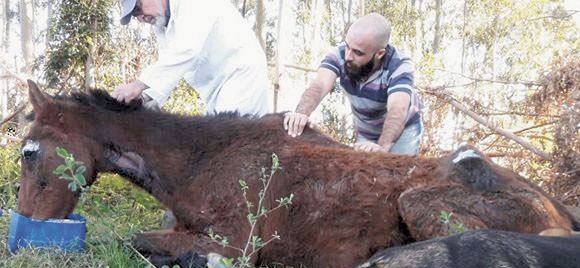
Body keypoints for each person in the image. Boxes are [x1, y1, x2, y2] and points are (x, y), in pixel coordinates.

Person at [284, 13, 423, 155]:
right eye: (347, 47)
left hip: (402, 132)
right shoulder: (340, 54)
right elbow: (319, 85)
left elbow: (398, 108)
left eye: (358, 52)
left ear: (380, 53)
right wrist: (301, 114)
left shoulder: (399, 65)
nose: (348, 56)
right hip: (366, 129)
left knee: (398, 174)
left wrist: (383, 147)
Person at [112, 0, 270, 116]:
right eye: (135, 15)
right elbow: (169, 71)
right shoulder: (161, 27)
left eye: (138, 8)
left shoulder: (191, 4)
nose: (140, 18)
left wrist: (138, 85)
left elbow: (187, 51)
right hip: (216, 88)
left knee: (224, 143)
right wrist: (145, 99)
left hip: (241, 76)